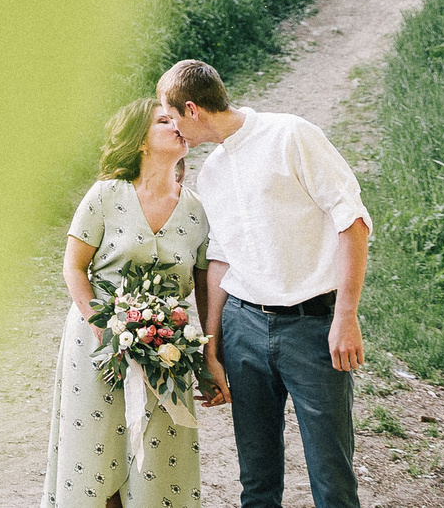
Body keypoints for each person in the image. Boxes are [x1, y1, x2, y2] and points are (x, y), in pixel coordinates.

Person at [158, 58, 369, 508]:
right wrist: (212, 345)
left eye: (171, 116)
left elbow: (352, 222)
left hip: (313, 327)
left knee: (332, 478)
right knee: (256, 481)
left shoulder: (290, 135)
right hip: (243, 330)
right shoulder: (211, 172)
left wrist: (345, 316)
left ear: (192, 109)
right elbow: (218, 260)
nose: (173, 129)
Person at [41, 97, 227, 508]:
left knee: (157, 463)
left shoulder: (197, 210)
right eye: (164, 120)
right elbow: (74, 268)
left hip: (169, 350)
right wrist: (102, 328)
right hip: (97, 344)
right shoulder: (106, 195)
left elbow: (203, 289)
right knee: (95, 457)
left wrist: (211, 356)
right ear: (140, 141)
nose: (175, 124)